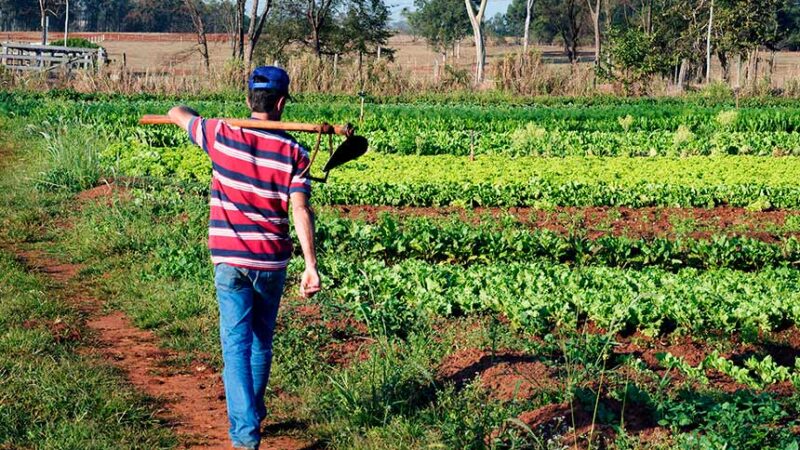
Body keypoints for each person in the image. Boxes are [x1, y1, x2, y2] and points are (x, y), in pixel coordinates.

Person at [167, 66, 320, 450]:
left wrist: (190, 112)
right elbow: (300, 210)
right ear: (282, 103)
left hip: (230, 259)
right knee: (260, 342)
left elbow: (175, 111)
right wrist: (311, 265)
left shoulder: (219, 133)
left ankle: (246, 433)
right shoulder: (294, 152)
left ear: (248, 100)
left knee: (236, 345)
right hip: (271, 261)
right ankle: (252, 414)